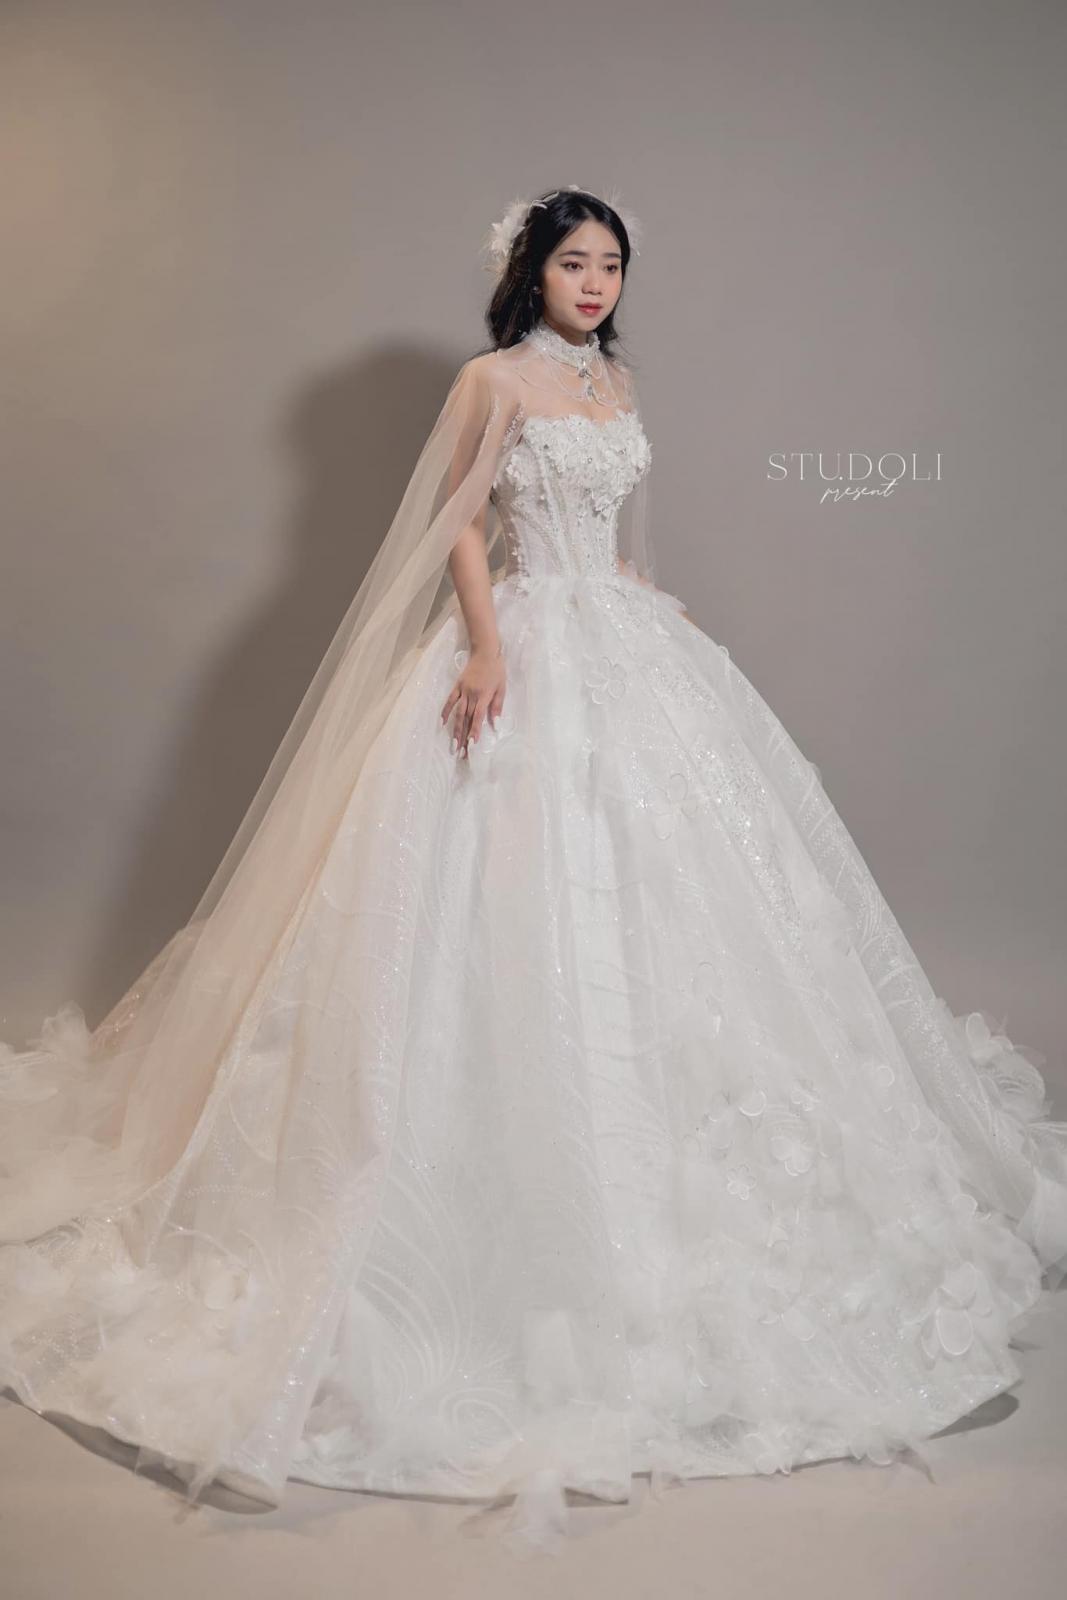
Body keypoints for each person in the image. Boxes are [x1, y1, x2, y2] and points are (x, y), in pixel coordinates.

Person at [2, 184, 1066, 1555]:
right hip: (520, 641)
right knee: (483, 900)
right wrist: (490, 648)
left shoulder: (616, 383)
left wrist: (635, 594)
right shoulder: (490, 380)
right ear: (530, 270)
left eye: (611, 263)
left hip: (622, 640)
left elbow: (614, 535)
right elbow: (456, 520)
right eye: (574, 261)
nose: (596, 282)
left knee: (695, 906)